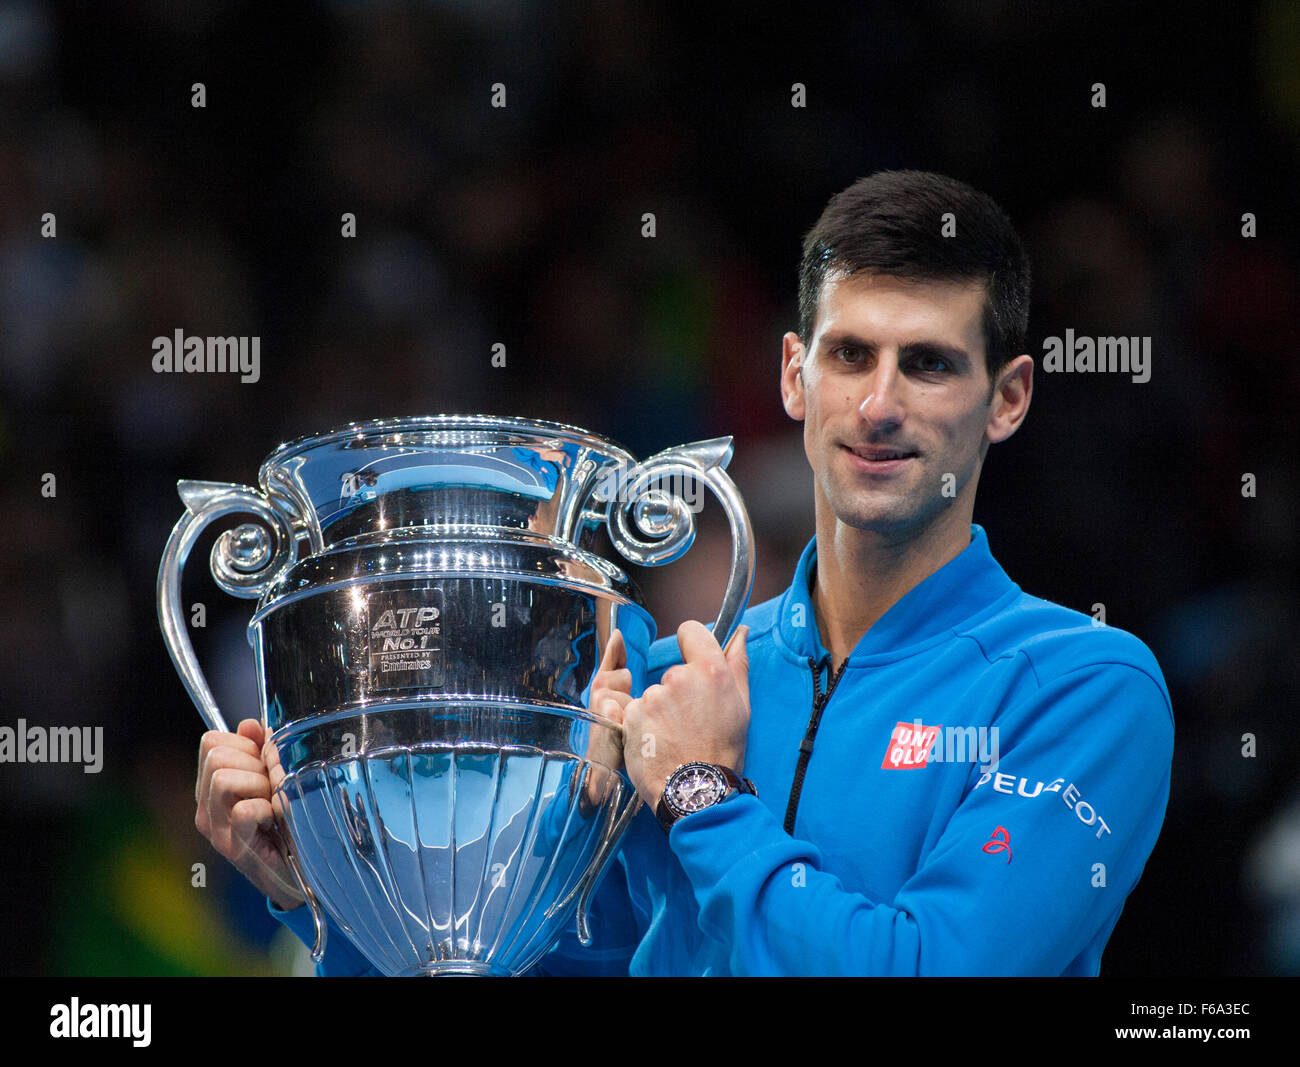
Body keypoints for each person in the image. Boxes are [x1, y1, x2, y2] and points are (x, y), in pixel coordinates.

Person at [195, 169, 1173, 976]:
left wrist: (703, 793)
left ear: (1006, 397)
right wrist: (318, 880)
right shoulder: (669, 684)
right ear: (793, 375)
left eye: (926, 364)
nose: (877, 405)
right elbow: (509, 966)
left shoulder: (1081, 686)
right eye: (848, 355)